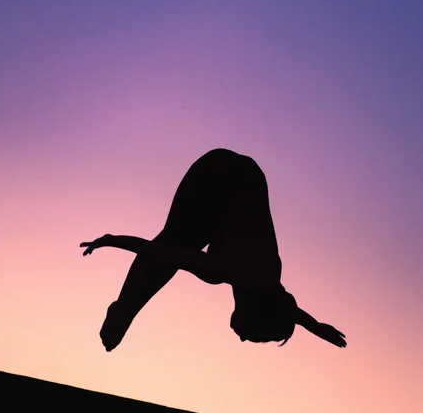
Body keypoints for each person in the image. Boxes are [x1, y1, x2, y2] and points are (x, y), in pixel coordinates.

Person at [80, 148, 347, 350]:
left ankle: (123, 310)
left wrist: (318, 328)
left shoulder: (269, 280)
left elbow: (287, 310)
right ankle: (122, 310)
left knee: (183, 243)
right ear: (250, 312)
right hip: (215, 177)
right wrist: (110, 240)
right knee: (174, 245)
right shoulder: (220, 269)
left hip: (248, 175)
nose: (242, 338)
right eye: (249, 334)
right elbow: (155, 251)